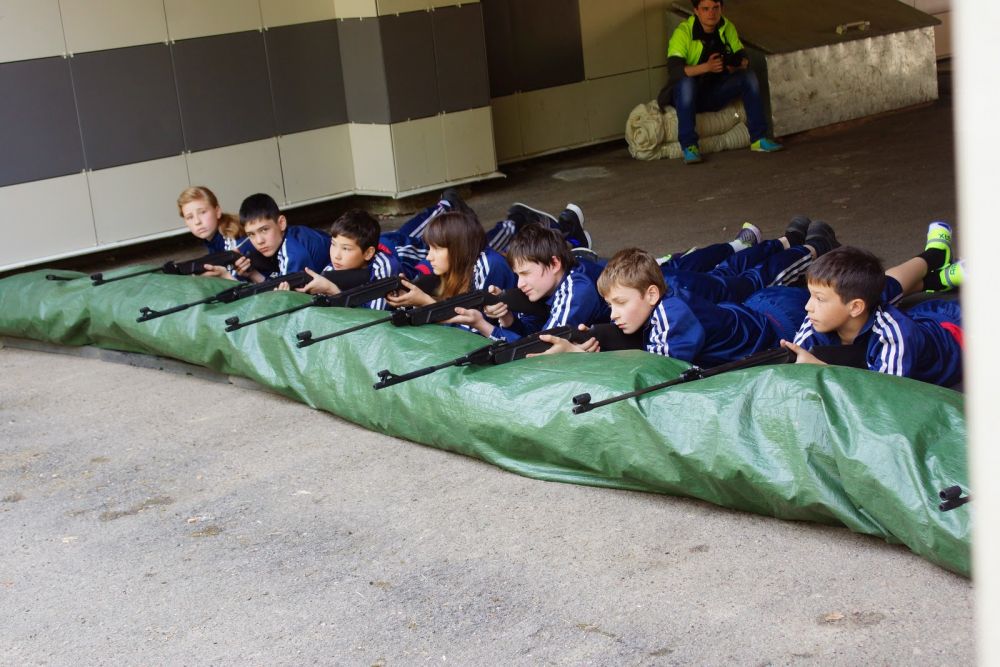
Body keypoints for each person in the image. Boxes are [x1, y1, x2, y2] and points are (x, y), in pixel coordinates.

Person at [552, 247, 808, 366]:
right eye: (610, 305)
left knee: (764, 278)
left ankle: (806, 247)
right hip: (753, 311)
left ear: (651, 294)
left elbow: (652, 370)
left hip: (781, 320)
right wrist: (595, 340)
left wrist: (587, 358)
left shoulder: (672, 316)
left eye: (620, 303)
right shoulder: (659, 306)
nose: (613, 314)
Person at [782, 222, 964, 386]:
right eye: (811, 295)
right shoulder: (817, 319)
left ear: (855, 307)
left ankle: (943, 264)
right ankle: (941, 277)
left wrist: (824, 370)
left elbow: (885, 396)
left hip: (955, 335)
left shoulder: (894, 336)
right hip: (919, 319)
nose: (808, 306)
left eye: (819, 298)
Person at [659, 0, 782, 164]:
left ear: (721, 8)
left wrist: (736, 65)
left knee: (748, 76)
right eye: (705, 9)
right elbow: (674, 71)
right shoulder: (683, 32)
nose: (711, 13)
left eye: (715, 8)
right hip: (686, 97)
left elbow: (743, 57)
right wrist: (707, 67)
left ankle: (759, 139)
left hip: (714, 92)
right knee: (686, 83)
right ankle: (689, 146)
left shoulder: (726, 27)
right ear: (696, 11)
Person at [448, 224, 610, 340]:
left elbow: (540, 349)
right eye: (518, 275)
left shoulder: (577, 289)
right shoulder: (543, 289)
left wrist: (483, 326)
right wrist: (507, 318)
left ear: (555, 264)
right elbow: (531, 332)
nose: (520, 284)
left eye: (526, 273)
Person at [385, 211, 517, 310]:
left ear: (459, 248)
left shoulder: (490, 265)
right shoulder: (456, 267)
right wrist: (411, 297)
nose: (429, 257)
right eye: (430, 248)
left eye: (436, 249)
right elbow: (455, 307)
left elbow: (473, 328)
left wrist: (426, 302)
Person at [294, 209, 402, 311]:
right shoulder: (331, 269)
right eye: (333, 244)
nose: (336, 255)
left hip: (403, 252)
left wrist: (333, 291)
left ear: (368, 253)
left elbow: (375, 315)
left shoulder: (384, 266)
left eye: (345, 249)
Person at [235, 193, 331, 284]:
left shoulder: (294, 253)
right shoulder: (288, 236)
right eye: (251, 234)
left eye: (264, 230)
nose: (259, 241)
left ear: (281, 223)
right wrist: (252, 274)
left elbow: (283, 294)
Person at [176, 186, 250, 279]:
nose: (197, 221)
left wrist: (223, 275)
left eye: (203, 212)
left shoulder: (233, 240)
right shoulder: (212, 239)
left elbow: (245, 283)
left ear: (217, 211)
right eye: (190, 217)